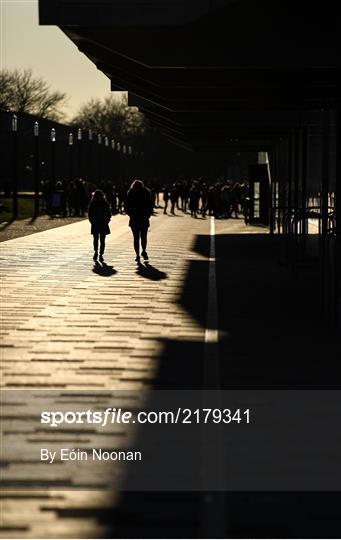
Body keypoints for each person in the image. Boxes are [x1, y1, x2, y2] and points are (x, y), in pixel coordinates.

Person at [125, 179, 153, 262]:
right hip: (144, 217)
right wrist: (148, 215)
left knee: (136, 238)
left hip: (134, 218)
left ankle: (137, 255)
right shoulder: (146, 192)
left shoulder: (130, 192)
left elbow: (126, 206)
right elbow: (150, 205)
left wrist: (130, 214)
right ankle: (143, 251)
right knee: (144, 237)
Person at [88, 189, 111, 261]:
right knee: (102, 240)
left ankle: (96, 251)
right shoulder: (105, 203)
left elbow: (89, 214)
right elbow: (109, 214)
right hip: (103, 223)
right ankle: (101, 253)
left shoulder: (92, 203)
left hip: (95, 223)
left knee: (95, 239)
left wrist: (91, 221)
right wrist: (107, 220)